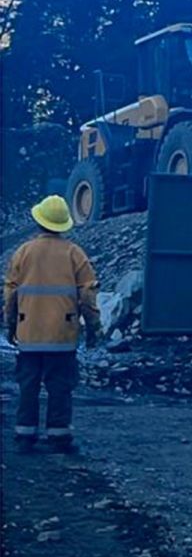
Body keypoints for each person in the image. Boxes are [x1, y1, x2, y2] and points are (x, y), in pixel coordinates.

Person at [4, 195, 101, 454]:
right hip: (62, 337)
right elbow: (88, 296)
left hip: (29, 335)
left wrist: (10, 325)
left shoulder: (23, 252)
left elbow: (11, 294)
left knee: (28, 386)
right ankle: (59, 437)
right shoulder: (74, 253)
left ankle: (25, 436)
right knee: (60, 387)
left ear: (39, 221)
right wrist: (93, 329)